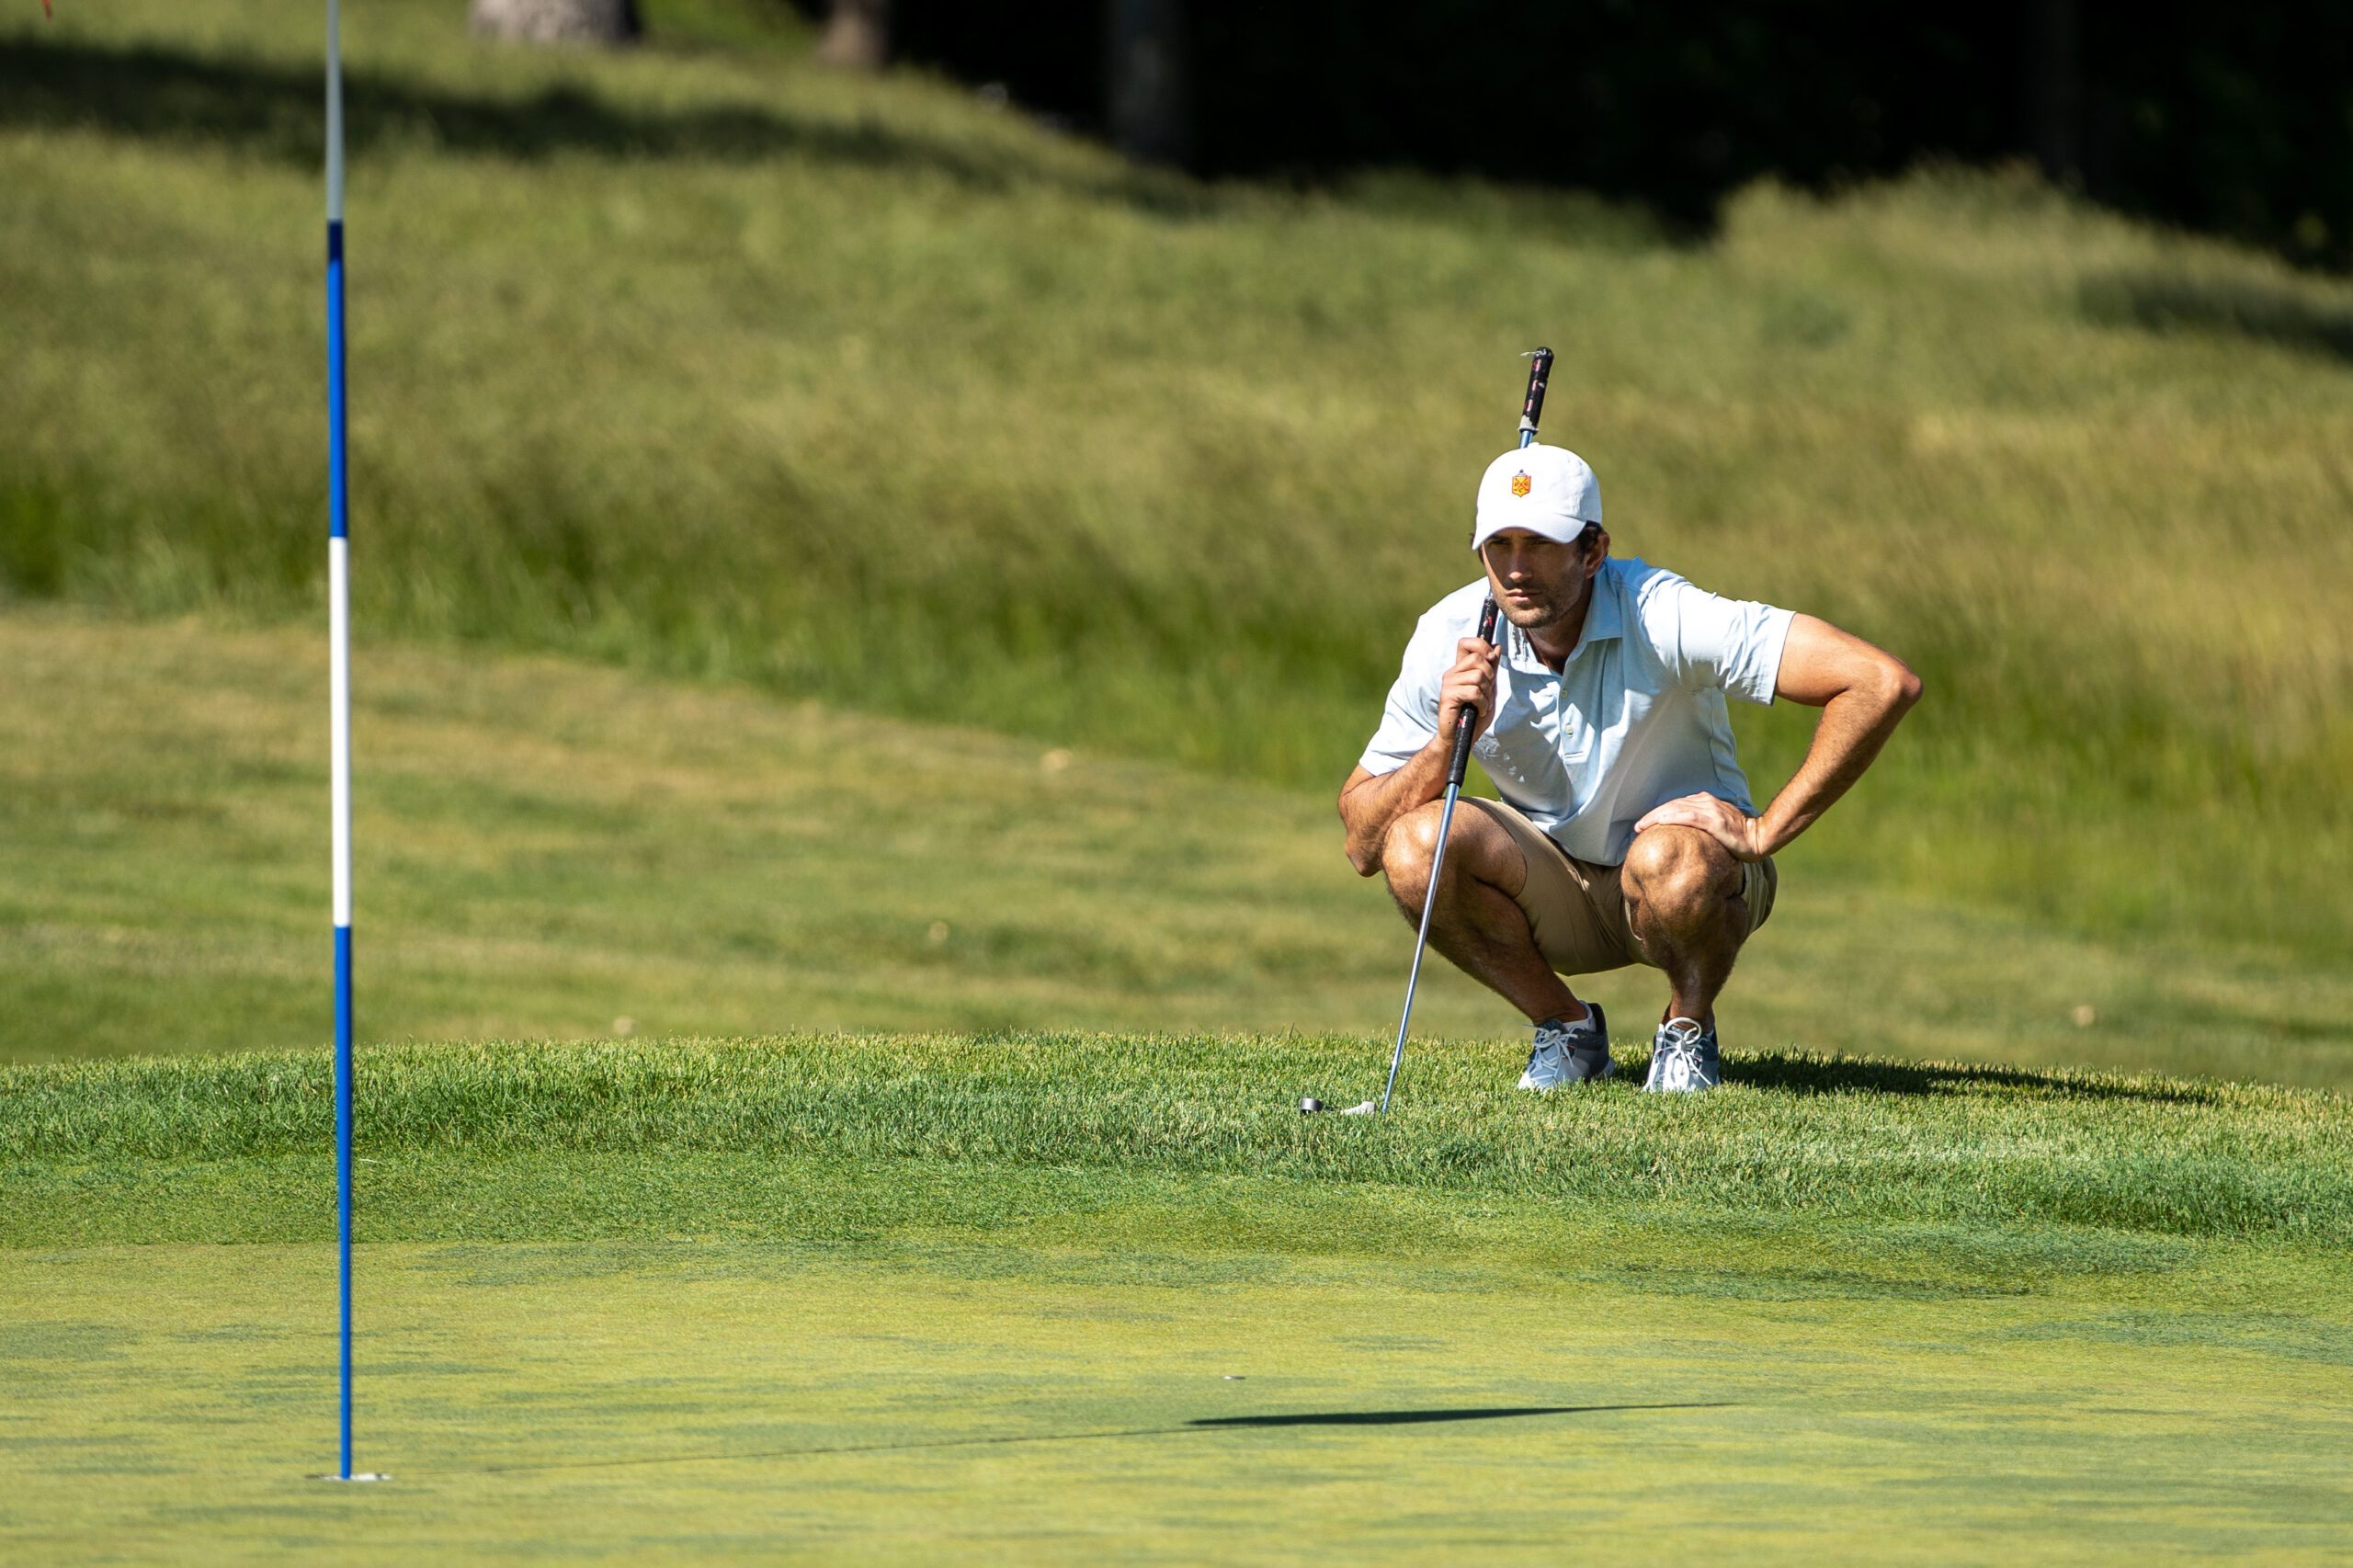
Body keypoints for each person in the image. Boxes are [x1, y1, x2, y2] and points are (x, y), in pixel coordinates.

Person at [1337, 445, 1922, 1092]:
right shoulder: (1450, 633)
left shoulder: (1662, 612)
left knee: (1669, 861)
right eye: (1497, 545)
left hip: (1692, 877)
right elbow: (1363, 843)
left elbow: (1878, 682)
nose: (1516, 569)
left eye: (1539, 543)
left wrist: (1764, 832)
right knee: (1417, 845)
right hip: (1552, 884)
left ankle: (1686, 1030)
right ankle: (1566, 1029)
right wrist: (1445, 743)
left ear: (1593, 551)